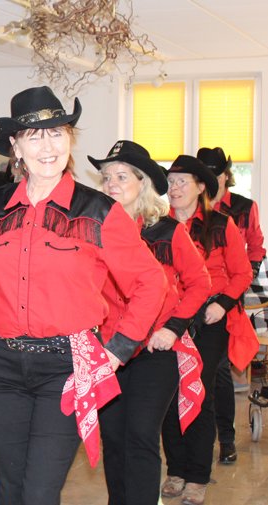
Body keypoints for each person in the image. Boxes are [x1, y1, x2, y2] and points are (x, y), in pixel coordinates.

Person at [0, 86, 166, 505]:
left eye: (57, 132)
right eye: (35, 135)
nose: (48, 146)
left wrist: (117, 351)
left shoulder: (98, 210)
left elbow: (151, 283)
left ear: (70, 140)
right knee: (9, 491)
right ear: (15, 146)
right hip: (4, 366)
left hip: (67, 366)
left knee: (40, 492)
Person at [91, 141, 210, 505]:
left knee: (141, 436)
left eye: (121, 176)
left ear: (142, 183)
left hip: (153, 353)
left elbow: (201, 283)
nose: (111, 183)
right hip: (107, 351)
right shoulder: (92, 230)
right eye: (106, 176)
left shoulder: (167, 231)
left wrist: (172, 328)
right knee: (113, 438)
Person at [160, 155, 253, 505]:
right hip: (170, 319)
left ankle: (198, 475)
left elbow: (242, 273)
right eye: (170, 182)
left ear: (201, 187)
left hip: (211, 319)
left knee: (200, 392)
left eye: (183, 181)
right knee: (168, 394)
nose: (175, 188)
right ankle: (176, 470)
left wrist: (222, 304)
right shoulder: (157, 226)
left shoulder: (221, 224)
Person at [198, 146, 265, 465]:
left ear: (226, 174)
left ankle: (223, 437)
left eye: (216, 171)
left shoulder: (242, 207)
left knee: (217, 368)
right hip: (194, 300)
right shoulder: (189, 210)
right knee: (206, 370)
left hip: (229, 297)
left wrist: (244, 281)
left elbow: (255, 247)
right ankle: (206, 437)